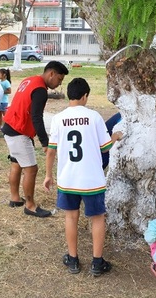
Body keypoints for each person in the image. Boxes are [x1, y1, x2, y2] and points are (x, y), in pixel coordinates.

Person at [43, 77, 114, 276]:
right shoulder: (94, 117)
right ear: (85, 96)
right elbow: (106, 147)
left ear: (68, 96)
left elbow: (51, 151)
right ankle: (97, 262)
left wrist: (48, 175)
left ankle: (73, 260)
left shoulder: (58, 118)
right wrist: (115, 137)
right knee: (97, 218)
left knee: (71, 217)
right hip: (92, 180)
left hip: (68, 179)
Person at [2, 60, 69, 218]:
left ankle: (15, 198)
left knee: (16, 163)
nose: (59, 83)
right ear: (51, 73)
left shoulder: (29, 80)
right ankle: (30, 206)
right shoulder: (40, 90)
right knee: (31, 169)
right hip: (19, 131)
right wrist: (45, 142)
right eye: (59, 79)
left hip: (10, 125)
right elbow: (37, 117)